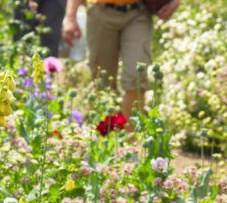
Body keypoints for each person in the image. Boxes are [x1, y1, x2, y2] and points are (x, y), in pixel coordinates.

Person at [62, 0, 181, 128]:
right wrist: (70, 18)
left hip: (138, 12)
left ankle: (132, 140)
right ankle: (107, 135)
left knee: (136, 76)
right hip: (100, 10)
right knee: (102, 81)